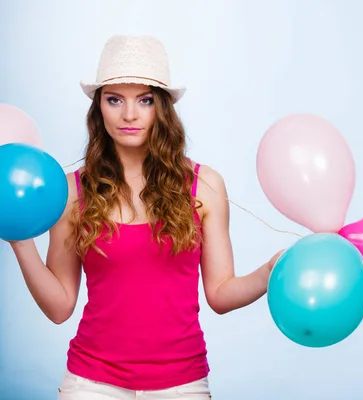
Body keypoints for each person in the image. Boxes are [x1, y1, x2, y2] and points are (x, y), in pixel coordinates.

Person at [8, 34, 283, 399]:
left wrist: (269, 272)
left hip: (183, 385)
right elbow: (59, 308)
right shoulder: (71, 192)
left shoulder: (205, 186)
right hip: (91, 384)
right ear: (98, 108)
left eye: (145, 100)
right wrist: (18, 236)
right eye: (114, 99)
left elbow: (219, 294)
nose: (129, 114)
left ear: (162, 108)